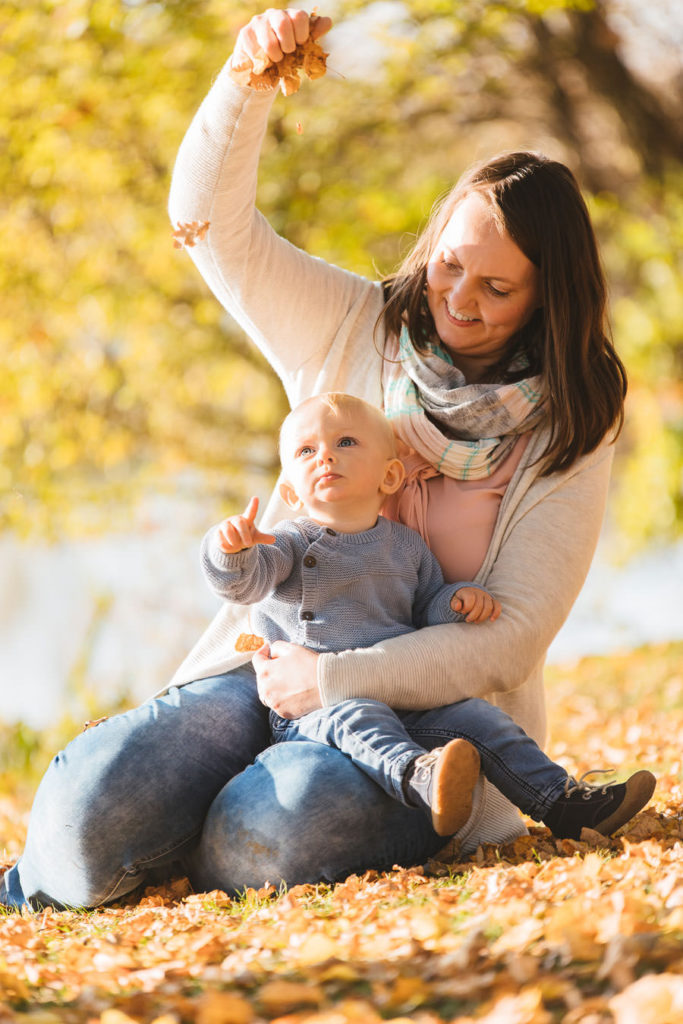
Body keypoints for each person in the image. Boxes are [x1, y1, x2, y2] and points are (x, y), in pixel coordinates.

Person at [0, 8, 649, 910]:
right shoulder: (351, 323)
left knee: (270, 830)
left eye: (496, 288)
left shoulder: (568, 422)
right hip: (269, 671)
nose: (458, 299)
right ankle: (68, 875)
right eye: (449, 266)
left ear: (547, 300)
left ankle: (210, 854)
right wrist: (245, 82)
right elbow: (206, 226)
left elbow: (510, 636)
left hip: (424, 724)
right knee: (86, 814)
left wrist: (335, 681)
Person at [203, 390, 654, 839]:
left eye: (345, 442)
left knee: (479, 718)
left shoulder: (406, 546)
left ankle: (562, 801)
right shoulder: (287, 542)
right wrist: (230, 551)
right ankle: (422, 777)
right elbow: (244, 583)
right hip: (313, 710)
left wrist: (457, 601)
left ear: (390, 475)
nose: (325, 457)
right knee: (358, 714)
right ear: (290, 492)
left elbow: (426, 608)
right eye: (306, 451)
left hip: (402, 699)